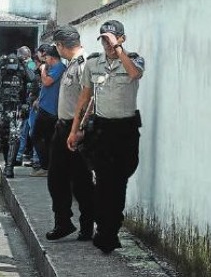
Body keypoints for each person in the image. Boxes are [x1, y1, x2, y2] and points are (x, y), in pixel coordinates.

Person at [67, 19, 145, 253]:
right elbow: (86, 98)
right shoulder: (93, 64)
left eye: (111, 39)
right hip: (102, 130)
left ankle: (110, 228)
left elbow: (135, 73)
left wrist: (118, 50)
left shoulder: (134, 59)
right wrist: (75, 129)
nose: (107, 44)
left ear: (122, 39)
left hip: (125, 131)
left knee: (119, 182)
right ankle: (105, 231)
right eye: (104, 39)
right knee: (102, 182)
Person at [46, 26, 96, 241]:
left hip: (76, 130)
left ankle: (86, 225)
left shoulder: (85, 64)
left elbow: (90, 100)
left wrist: (79, 130)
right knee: (57, 178)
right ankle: (63, 222)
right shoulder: (72, 65)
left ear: (60, 46)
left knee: (81, 181)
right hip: (64, 127)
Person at [0, 52, 34, 178]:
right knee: (3, 138)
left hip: (17, 109)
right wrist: (0, 63)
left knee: (14, 137)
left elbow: (32, 77)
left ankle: (9, 167)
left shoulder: (22, 72)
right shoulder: (2, 72)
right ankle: (8, 161)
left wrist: (23, 64)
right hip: (3, 108)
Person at [30, 45, 65, 177]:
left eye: (47, 58)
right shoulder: (55, 68)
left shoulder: (58, 68)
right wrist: (39, 99)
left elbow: (47, 82)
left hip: (49, 110)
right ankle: (49, 166)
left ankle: (46, 166)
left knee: (37, 136)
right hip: (45, 106)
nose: (45, 61)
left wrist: (43, 70)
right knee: (46, 138)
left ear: (51, 57)